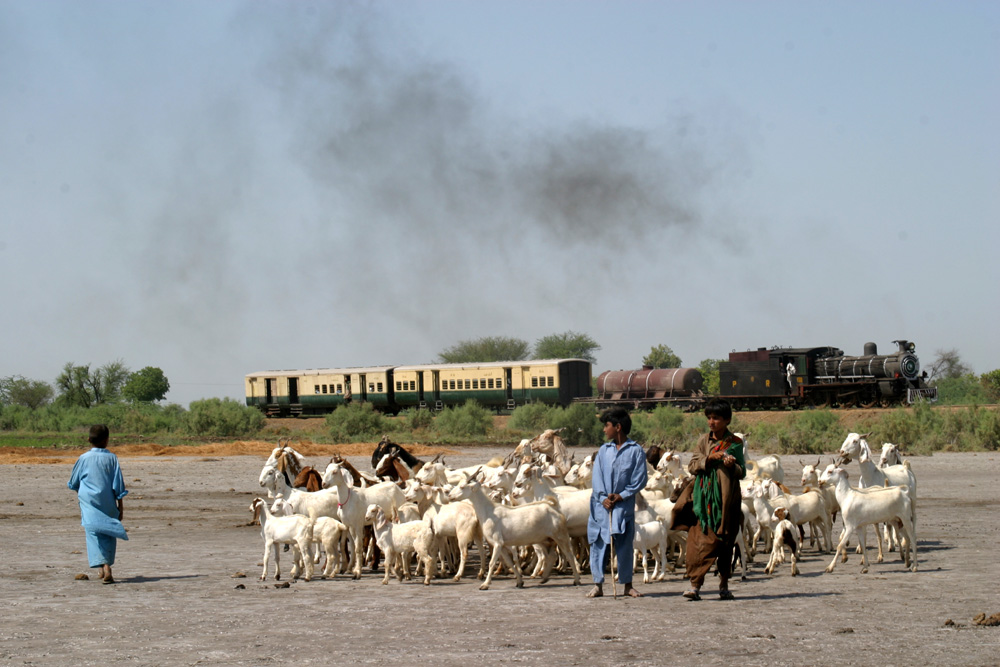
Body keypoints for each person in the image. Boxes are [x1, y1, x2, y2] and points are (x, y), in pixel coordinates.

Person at [670, 398, 745, 600]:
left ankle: (724, 585)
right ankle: (695, 586)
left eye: (716, 418)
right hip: (703, 501)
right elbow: (693, 466)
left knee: (726, 542)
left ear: (727, 420)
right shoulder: (704, 441)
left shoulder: (736, 444)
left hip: (727, 501)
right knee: (698, 541)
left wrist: (731, 465)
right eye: (709, 418)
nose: (712, 422)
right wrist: (709, 459)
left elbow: (742, 472)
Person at [586, 407, 648, 598]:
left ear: (618, 427)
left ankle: (627, 585)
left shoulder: (636, 451)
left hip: (623, 506)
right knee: (599, 544)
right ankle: (598, 584)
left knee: (624, 545)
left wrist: (622, 495)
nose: (605, 430)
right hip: (601, 507)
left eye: (607, 426)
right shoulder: (604, 451)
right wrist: (603, 497)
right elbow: (596, 478)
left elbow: (640, 479)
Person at [68, 424, 129, 583]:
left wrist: (84, 497)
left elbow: (74, 483)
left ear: (89, 440)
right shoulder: (112, 458)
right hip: (108, 502)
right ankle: (105, 566)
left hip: (89, 504)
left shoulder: (83, 458)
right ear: (107, 440)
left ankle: (104, 568)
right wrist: (120, 507)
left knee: (93, 533)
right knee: (108, 533)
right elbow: (118, 486)